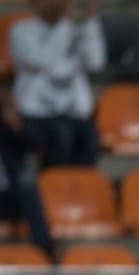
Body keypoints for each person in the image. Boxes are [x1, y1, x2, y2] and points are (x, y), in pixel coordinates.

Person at [9, 0, 106, 167]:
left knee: (91, 141)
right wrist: (65, 24)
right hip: (37, 114)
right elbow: (41, 60)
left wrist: (89, 21)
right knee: (61, 137)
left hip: (74, 112)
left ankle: (81, 189)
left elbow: (96, 62)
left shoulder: (79, 29)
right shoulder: (21, 30)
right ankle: (53, 188)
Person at [0, 87, 54, 256]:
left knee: (27, 182)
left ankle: (44, 248)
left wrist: (16, 125)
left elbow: (35, 146)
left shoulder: (7, 124)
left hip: (9, 197)